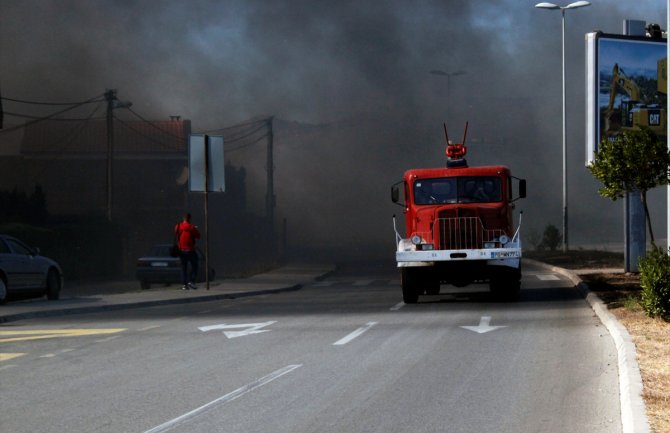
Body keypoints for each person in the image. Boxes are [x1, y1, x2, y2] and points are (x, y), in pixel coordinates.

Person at [174, 213, 200, 290]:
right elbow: (198, 236)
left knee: (183, 268)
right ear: (189, 219)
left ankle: (184, 285)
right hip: (190, 250)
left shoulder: (177, 226)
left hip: (181, 250)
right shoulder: (192, 227)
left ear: (183, 219)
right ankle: (191, 281)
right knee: (195, 266)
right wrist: (195, 228)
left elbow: (176, 233)